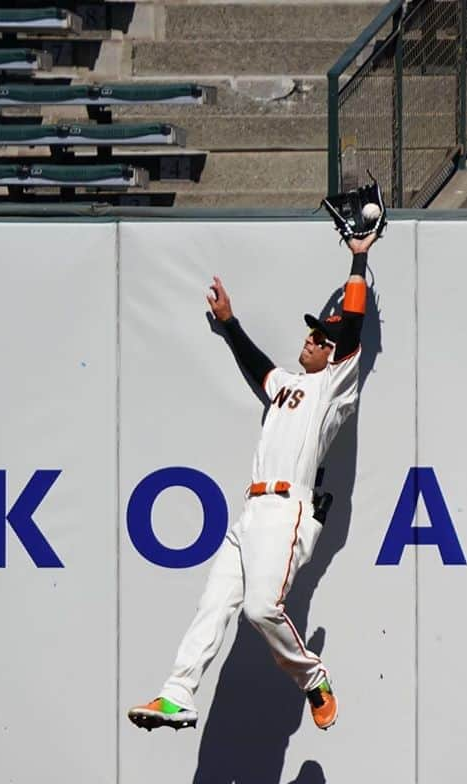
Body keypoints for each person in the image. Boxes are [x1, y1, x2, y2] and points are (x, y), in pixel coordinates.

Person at [128, 231, 378, 734]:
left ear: (334, 355)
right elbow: (258, 365)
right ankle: (178, 693)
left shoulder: (334, 388)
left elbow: (352, 328)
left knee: (263, 609)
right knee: (213, 604)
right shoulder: (287, 383)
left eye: (321, 339)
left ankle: (313, 677)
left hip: (287, 510)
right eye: (311, 333)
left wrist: (359, 259)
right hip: (251, 512)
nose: (311, 339)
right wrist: (229, 324)